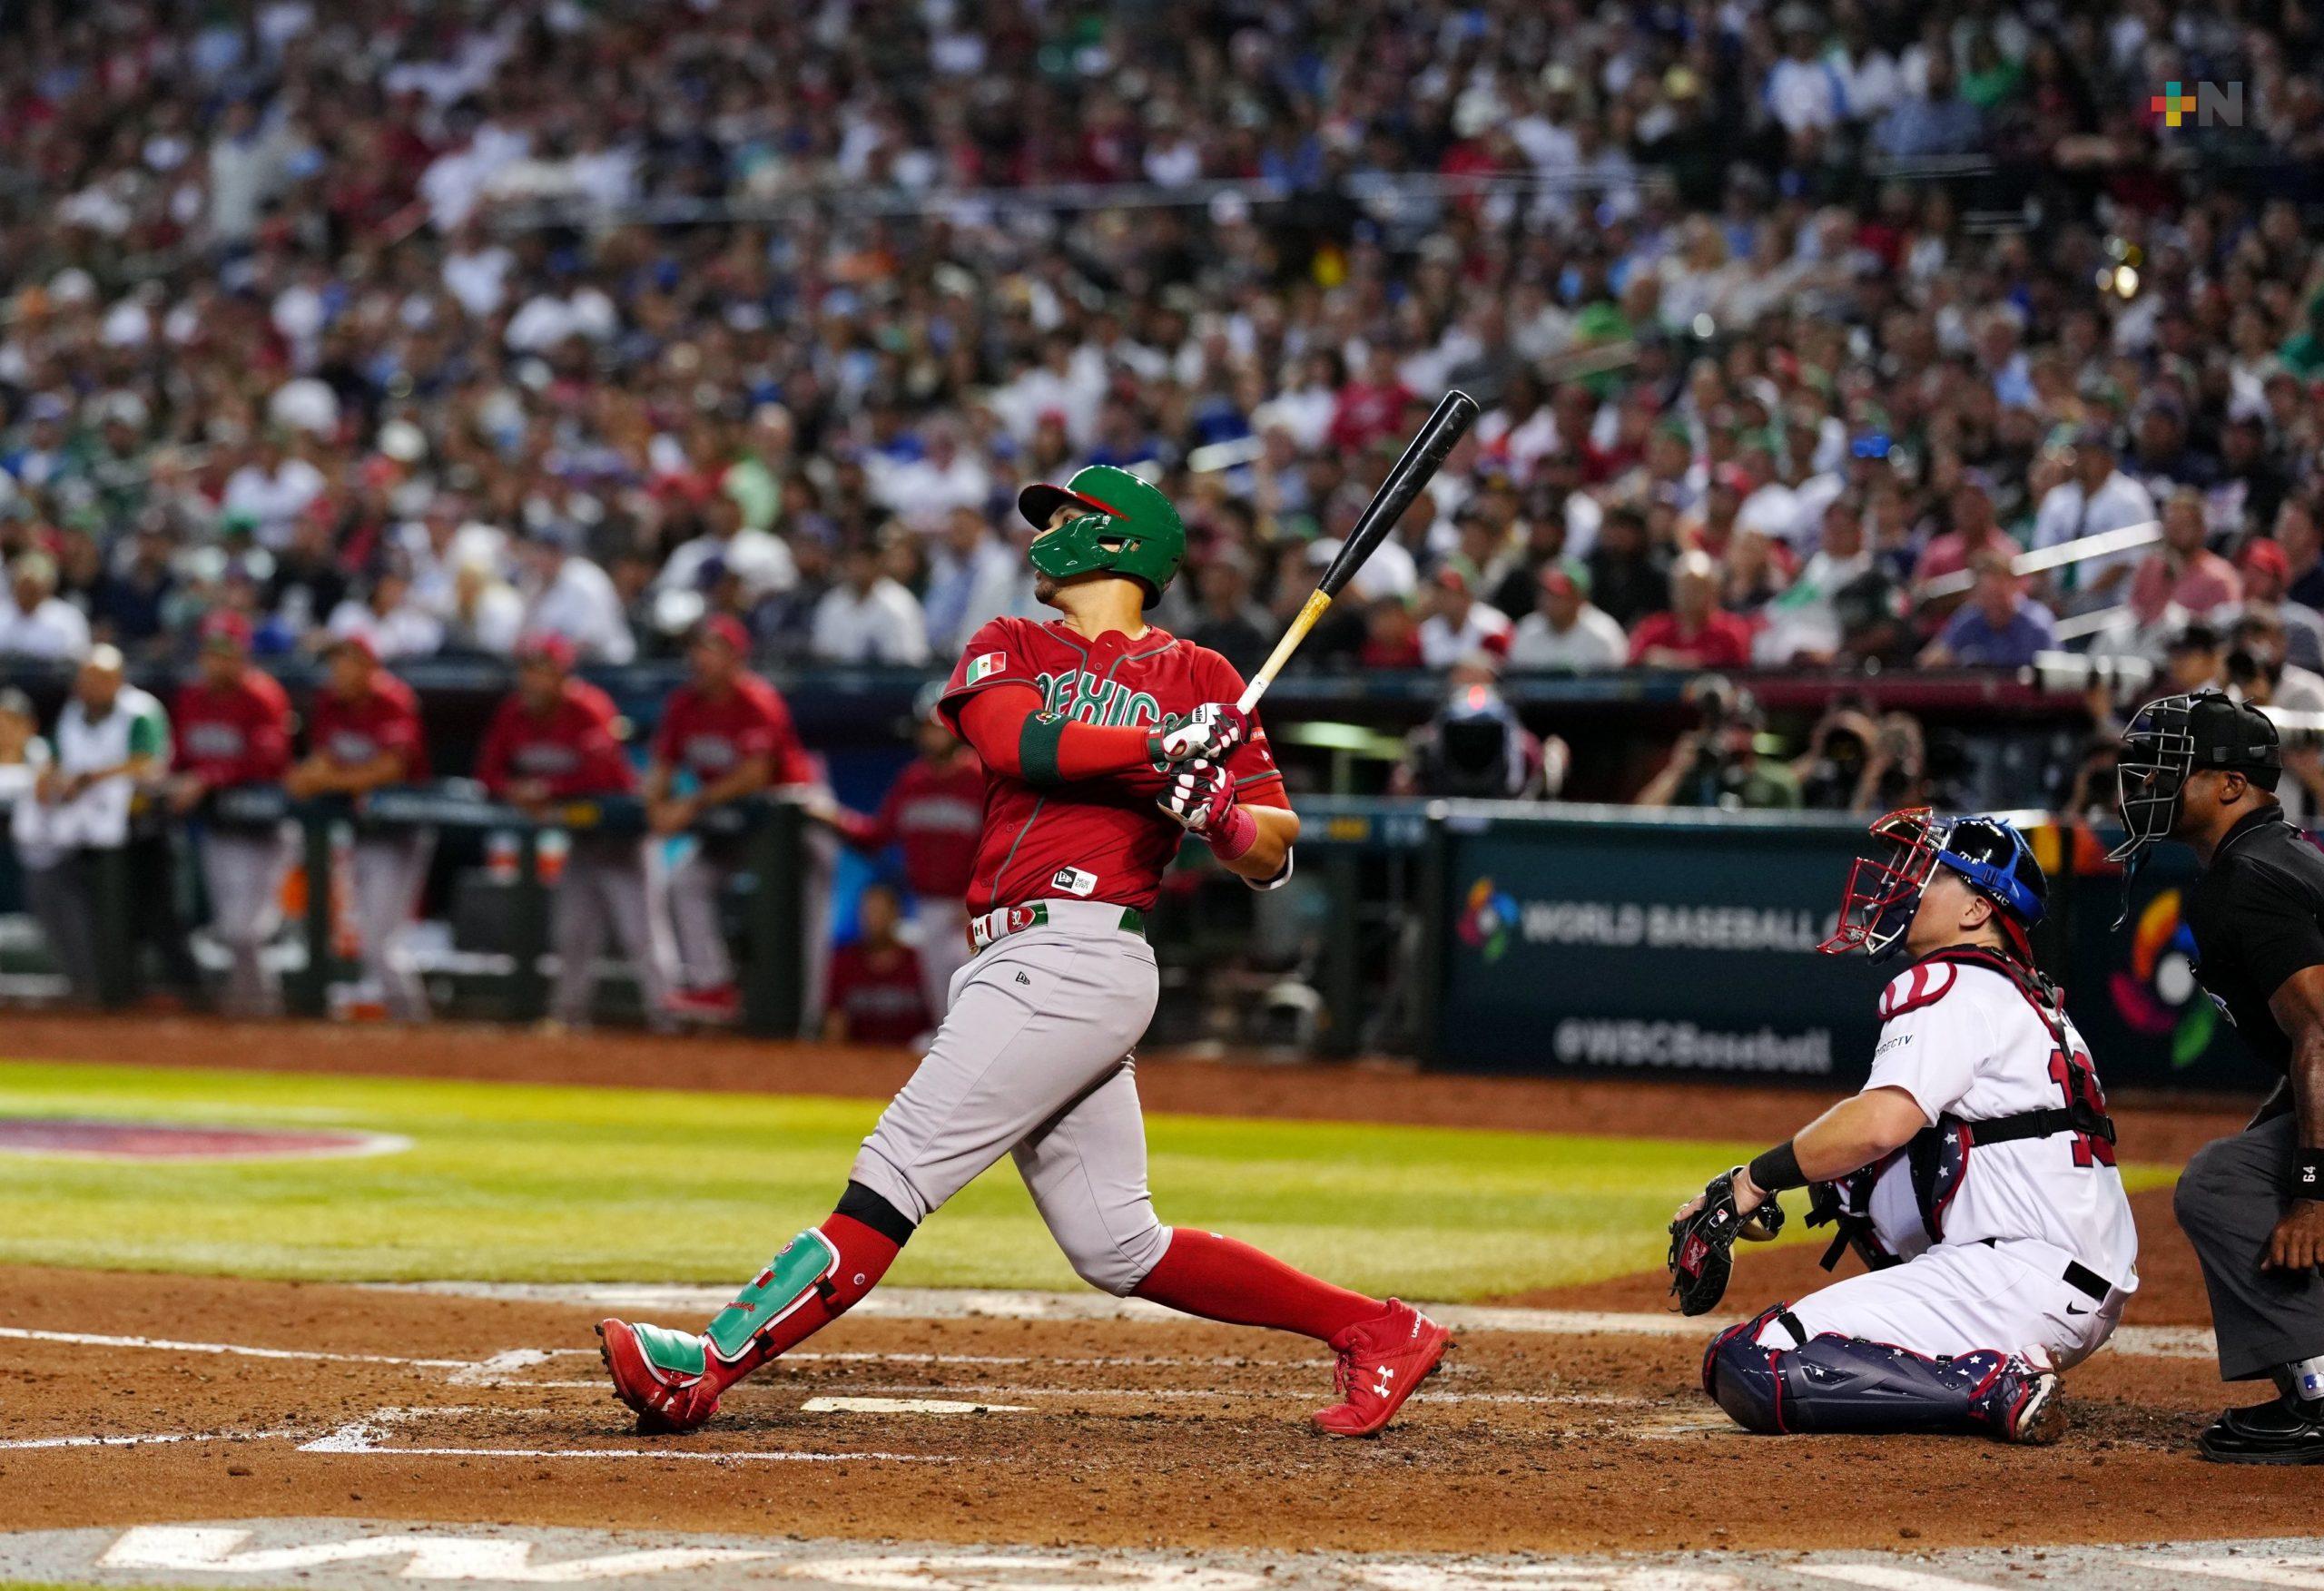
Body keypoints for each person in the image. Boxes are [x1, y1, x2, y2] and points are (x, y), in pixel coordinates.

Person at [597, 463, 1450, 1441]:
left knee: (898, 1167)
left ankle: (705, 1367)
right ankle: (1378, 1327)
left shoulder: (1204, 678)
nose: (1047, 533)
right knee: (1116, 1242)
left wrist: (1214, 808)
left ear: (1122, 541)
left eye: (1069, 517)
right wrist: (1159, 750)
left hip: (1079, 953)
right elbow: (1016, 746)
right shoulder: (1011, 643)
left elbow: (1271, 847)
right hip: (1022, 956)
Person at [1679, 810, 2135, 1443]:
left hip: (2019, 1275)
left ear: (1978, 911)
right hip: (2076, 1277)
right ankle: (1992, 1358)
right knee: (1846, 1180)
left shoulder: (1951, 980)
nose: (1911, 882)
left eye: (1934, 872)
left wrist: (1751, 1181)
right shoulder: (2025, 995)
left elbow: (1879, 1123)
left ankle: (1991, 1385)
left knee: (1752, 1360)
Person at [2111, 692, 2324, 1462]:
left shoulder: (2250, 878)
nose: (2149, 788)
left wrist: (2309, 1190)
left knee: (2222, 1184)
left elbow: (2320, 1030)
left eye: (2172, 771)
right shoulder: (2273, 855)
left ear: (2232, 785)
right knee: (2255, 1156)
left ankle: (2319, 1394)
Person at [476, 633, 673, 1032]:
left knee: (640, 937)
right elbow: (488, 771)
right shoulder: (515, 711)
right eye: (528, 672)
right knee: (572, 934)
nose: (532, 681)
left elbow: (598, 775)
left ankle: (670, 1019)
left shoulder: (588, 706)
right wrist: (516, 789)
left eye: (543, 672)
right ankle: (568, 1019)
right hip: (580, 840)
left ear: (563, 675)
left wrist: (546, 791)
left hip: (621, 839)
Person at [645, 615, 819, 1021]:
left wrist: (688, 805)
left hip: (791, 821)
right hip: (731, 822)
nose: (699, 658)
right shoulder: (683, 703)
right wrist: (656, 806)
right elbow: (662, 768)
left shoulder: (757, 698)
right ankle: (714, 985)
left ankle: (810, 1016)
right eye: (696, 649)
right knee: (685, 881)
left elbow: (755, 774)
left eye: (711, 649)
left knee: (805, 915)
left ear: (736, 658)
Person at [812, 683, 984, 1020]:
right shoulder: (913, 781)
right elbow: (877, 835)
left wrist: (982, 898)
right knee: (941, 1007)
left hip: (970, 910)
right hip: (927, 906)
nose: (930, 736)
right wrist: (834, 817)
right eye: (925, 728)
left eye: (937, 728)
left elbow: (1005, 844)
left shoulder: (980, 777)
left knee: (974, 997)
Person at [285, 636, 432, 1021]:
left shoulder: (393, 699)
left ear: (370, 665)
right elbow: (320, 760)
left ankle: (412, 1021)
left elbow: (390, 768)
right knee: (370, 939)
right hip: (362, 832)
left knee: (378, 941)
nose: (339, 671)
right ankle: (406, 1020)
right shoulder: (330, 701)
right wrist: (313, 776)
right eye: (335, 663)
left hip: (400, 830)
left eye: (347, 663)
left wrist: (329, 781)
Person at [15, 648, 172, 1005]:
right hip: (78, 833)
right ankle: (88, 986)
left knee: (152, 921)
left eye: (99, 680)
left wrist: (88, 778)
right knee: (60, 899)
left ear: (118, 680)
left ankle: (179, 997)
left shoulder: (140, 711)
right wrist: (47, 775)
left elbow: (148, 765)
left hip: (142, 834)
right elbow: (53, 759)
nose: (90, 687)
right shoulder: (73, 713)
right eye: (85, 679)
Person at [169, 612, 294, 1016]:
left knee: (246, 930)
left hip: (265, 827)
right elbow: (181, 759)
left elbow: (266, 762)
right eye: (210, 652)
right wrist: (175, 779)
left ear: (243, 654)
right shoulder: (191, 697)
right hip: (219, 827)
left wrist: (207, 777)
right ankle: (246, 1014)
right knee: (231, 931)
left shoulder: (263, 695)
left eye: (226, 652)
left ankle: (263, 1009)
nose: (216, 661)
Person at [822, 880, 933, 1046]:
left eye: (881, 912)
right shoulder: (845, 963)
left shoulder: (920, 963)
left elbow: (937, 1019)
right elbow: (835, 1025)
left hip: (913, 1058)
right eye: (869, 913)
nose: (874, 920)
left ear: (896, 914)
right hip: (859, 1061)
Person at [1920, 552, 2059, 668]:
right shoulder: (1971, 617)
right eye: (1987, 597)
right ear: (1976, 596)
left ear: (2015, 588)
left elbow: (2056, 676)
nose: (1994, 603)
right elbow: (1929, 660)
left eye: (1999, 595)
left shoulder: (2036, 624)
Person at [1627, 552, 1755, 669]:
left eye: (1697, 587)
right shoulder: (1652, 629)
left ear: (1715, 591)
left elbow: (1743, 676)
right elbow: (1632, 671)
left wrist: (1675, 661)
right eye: (1683, 587)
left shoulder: (1731, 632)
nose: (1688, 595)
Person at [1505, 564, 1627, 671]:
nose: (1547, 601)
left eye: (1557, 595)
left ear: (1580, 599)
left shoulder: (1603, 634)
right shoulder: (1527, 629)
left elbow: (1614, 687)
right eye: (1545, 593)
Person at [0, 552, 91, 660]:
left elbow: (79, 659)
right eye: (23, 589)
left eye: (32, 591)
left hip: (55, 677)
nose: (27, 595)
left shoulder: (68, 620)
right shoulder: (2, 615)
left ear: (47, 588)